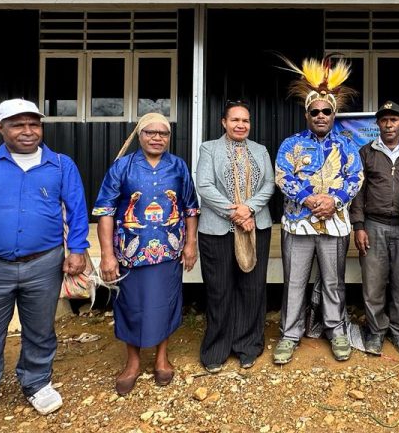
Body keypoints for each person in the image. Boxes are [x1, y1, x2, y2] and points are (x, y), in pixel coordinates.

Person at [0, 99, 89, 433]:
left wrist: (77, 249)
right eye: (18, 125)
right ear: (0, 128)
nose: (28, 131)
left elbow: (77, 210)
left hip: (44, 264)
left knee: (40, 330)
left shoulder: (61, 165)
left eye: (34, 124)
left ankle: (36, 383)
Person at [93, 113, 199, 396]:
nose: (156, 138)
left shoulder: (178, 167)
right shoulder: (122, 167)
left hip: (168, 249)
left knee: (166, 303)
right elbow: (104, 211)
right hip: (131, 253)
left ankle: (162, 358)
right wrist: (107, 255)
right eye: (150, 133)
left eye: (162, 134)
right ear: (139, 135)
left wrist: (190, 244)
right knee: (131, 306)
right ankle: (133, 362)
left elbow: (190, 208)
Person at [273, 56, 363, 364]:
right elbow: (283, 175)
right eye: (315, 112)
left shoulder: (348, 144)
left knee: (333, 281)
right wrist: (310, 199)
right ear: (307, 114)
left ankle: (336, 330)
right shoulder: (291, 144)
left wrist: (334, 200)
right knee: (294, 281)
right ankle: (289, 334)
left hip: (335, 223)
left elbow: (356, 177)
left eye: (326, 111)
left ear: (334, 113)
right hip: (299, 223)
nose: (321, 116)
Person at [196, 100, 275, 372]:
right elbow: (204, 185)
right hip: (218, 229)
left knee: (252, 289)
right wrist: (235, 213)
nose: (241, 125)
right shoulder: (209, 148)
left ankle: (248, 346)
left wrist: (249, 209)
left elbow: (269, 184)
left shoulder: (260, 150)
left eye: (245, 121)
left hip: (256, 227)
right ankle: (216, 349)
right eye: (235, 120)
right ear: (224, 122)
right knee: (219, 290)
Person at [349, 101, 399, 356]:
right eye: (384, 120)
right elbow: (357, 192)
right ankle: (376, 332)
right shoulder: (366, 152)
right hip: (374, 225)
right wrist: (358, 226)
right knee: (373, 284)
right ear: (378, 124)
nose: (389, 124)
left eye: (394, 119)